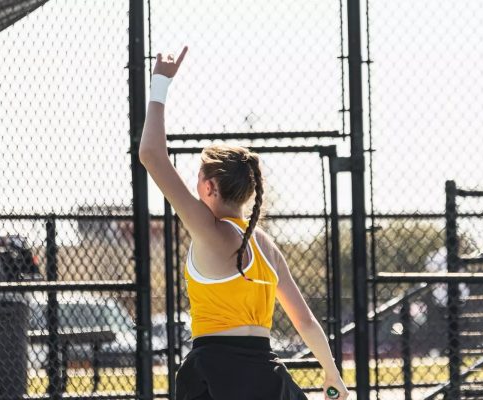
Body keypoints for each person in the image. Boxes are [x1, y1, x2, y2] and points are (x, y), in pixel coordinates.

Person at [139, 46, 349, 400]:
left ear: (209, 187)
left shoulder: (210, 231)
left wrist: (160, 84)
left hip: (218, 376)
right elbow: (306, 322)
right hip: (268, 376)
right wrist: (332, 374)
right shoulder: (265, 245)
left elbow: (151, 155)